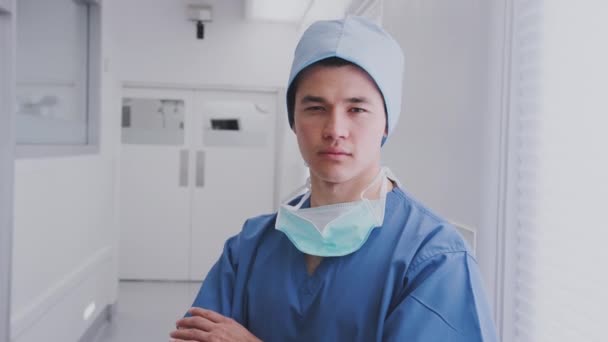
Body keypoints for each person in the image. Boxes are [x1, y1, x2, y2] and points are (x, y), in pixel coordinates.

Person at [170, 16, 498, 342]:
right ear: (293, 120)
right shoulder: (249, 249)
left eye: (356, 110)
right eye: (315, 108)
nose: (334, 130)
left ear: (386, 122)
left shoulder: (433, 258)